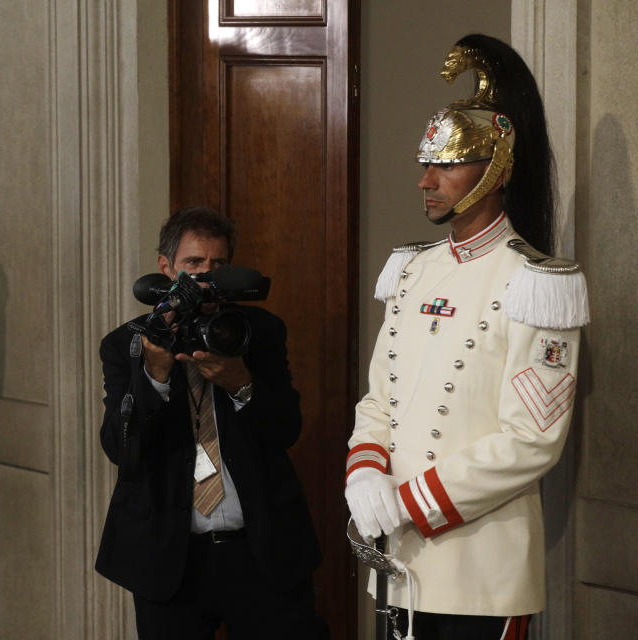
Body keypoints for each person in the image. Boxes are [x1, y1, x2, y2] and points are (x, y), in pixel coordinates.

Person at [344, 34, 590, 639]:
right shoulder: (413, 269)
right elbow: (381, 397)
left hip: (482, 573)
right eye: (425, 164)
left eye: (447, 163)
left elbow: (532, 439)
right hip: (397, 566)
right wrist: (366, 470)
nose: (427, 180)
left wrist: (411, 501)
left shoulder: (538, 283)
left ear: (497, 168)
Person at [95, 207, 329, 639]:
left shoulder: (258, 331)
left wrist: (242, 384)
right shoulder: (125, 343)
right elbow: (122, 449)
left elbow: (286, 430)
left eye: (218, 265)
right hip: (169, 559)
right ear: (165, 268)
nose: (206, 277)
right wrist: (155, 375)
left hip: (261, 553)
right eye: (194, 264)